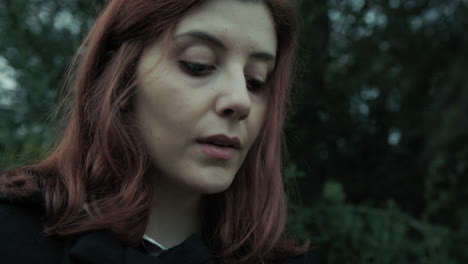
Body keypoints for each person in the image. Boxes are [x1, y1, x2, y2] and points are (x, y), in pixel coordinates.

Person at [0, 0, 316, 263]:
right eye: (199, 64)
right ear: (119, 78)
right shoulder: (13, 233)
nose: (240, 100)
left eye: (256, 81)